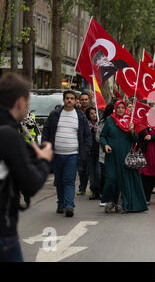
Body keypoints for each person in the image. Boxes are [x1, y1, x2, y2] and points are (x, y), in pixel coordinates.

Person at [0, 73, 53, 262]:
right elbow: (30, 184)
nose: (28, 108)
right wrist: (44, 161)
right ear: (20, 102)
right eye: (28, 102)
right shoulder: (8, 136)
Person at [42, 90, 91, 218]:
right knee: (59, 180)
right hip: (56, 154)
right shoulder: (55, 114)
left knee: (69, 180)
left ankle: (69, 206)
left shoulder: (80, 116)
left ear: (76, 101)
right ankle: (61, 203)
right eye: (67, 98)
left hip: (73, 154)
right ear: (63, 100)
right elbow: (46, 131)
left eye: (72, 98)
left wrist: (85, 152)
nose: (69, 100)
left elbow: (87, 136)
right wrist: (45, 146)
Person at [100, 100, 148, 213]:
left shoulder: (130, 121)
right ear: (115, 109)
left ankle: (122, 202)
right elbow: (102, 136)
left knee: (124, 180)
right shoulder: (109, 120)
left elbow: (135, 139)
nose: (120, 110)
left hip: (125, 155)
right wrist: (105, 144)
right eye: (118, 108)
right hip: (112, 155)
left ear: (125, 109)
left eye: (122, 107)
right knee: (111, 179)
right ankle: (110, 201)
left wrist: (132, 130)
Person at [96, 102, 116, 207]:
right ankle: (104, 195)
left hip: (117, 155)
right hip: (104, 155)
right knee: (105, 176)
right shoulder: (103, 122)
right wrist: (107, 142)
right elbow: (98, 137)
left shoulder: (120, 122)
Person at [76, 91, 92, 195]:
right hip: (80, 144)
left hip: (92, 143)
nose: (84, 101)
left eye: (86, 99)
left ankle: (93, 187)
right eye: (82, 99)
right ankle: (82, 187)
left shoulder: (93, 112)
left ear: (89, 101)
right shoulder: (76, 112)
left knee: (92, 168)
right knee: (81, 168)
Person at [85, 107, 101, 200]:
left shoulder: (100, 124)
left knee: (98, 172)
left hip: (99, 151)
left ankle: (99, 191)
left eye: (95, 113)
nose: (94, 115)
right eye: (91, 113)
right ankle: (93, 191)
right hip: (90, 152)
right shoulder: (86, 125)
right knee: (91, 172)